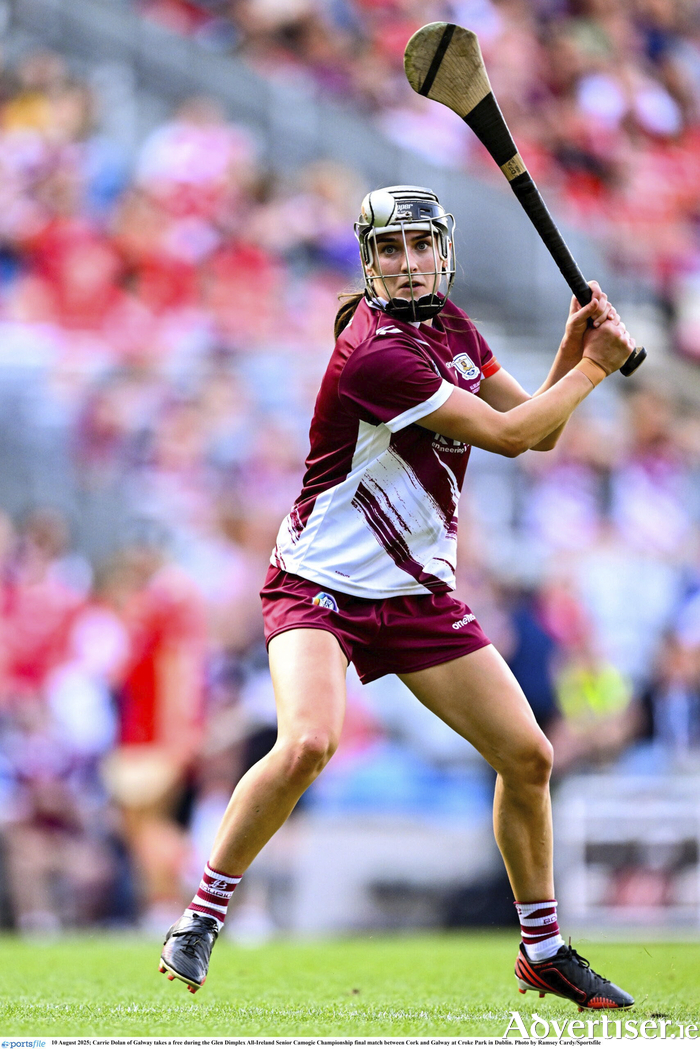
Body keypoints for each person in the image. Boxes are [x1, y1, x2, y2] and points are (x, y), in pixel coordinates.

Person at [159, 185, 635, 1010]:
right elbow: (513, 435)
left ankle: (543, 947)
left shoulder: (454, 329)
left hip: (416, 593)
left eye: (420, 247)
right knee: (309, 740)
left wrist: (567, 350)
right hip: (320, 588)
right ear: (368, 260)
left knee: (529, 757)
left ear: (443, 253)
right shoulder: (375, 350)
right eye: (390, 250)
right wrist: (598, 365)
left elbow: (538, 427)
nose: (408, 264)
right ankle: (202, 915)